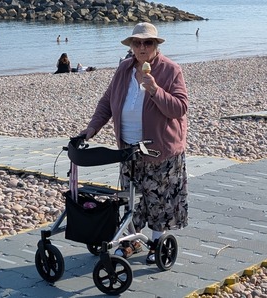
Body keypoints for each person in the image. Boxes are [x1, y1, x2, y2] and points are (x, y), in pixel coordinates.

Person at [79, 22, 189, 265]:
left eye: (147, 43)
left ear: (155, 46)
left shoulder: (171, 70)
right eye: (136, 43)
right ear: (131, 46)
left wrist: (155, 91)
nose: (141, 47)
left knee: (158, 198)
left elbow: (180, 108)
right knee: (130, 198)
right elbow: (107, 102)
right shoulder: (124, 69)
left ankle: (158, 243)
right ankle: (132, 241)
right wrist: (92, 128)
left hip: (160, 149)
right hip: (128, 149)